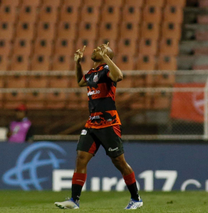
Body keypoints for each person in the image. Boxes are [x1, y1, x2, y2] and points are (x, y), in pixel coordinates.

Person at [54, 43, 143, 210]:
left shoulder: (107, 70)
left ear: (105, 55)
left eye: (100, 49)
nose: (95, 49)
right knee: (81, 158)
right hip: (92, 123)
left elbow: (119, 76)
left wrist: (107, 58)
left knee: (119, 162)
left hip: (109, 123)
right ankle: (74, 200)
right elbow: (81, 82)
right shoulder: (92, 73)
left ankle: (136, 198)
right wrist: (77, 63)